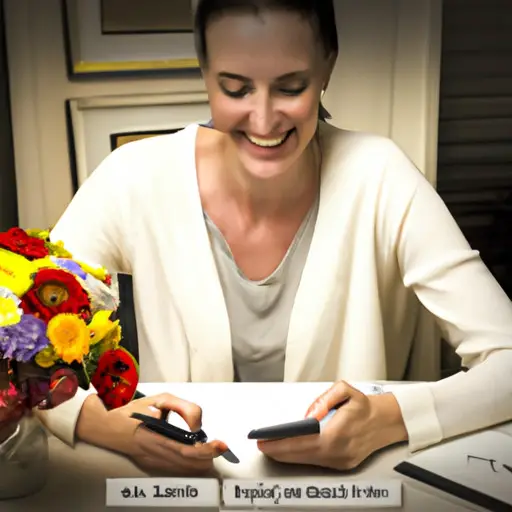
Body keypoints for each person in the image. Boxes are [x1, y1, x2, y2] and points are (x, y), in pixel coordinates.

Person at [36, 0, 512, 476]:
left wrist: (387, 420)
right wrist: (116, 428)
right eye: (235, 88)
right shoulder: (134, 177)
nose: (263, 121)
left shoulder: (380, 175)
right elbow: (14, 350)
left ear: (328, 66)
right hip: (185, 491)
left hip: (342, 493)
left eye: (290, 87)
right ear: (204, 70)